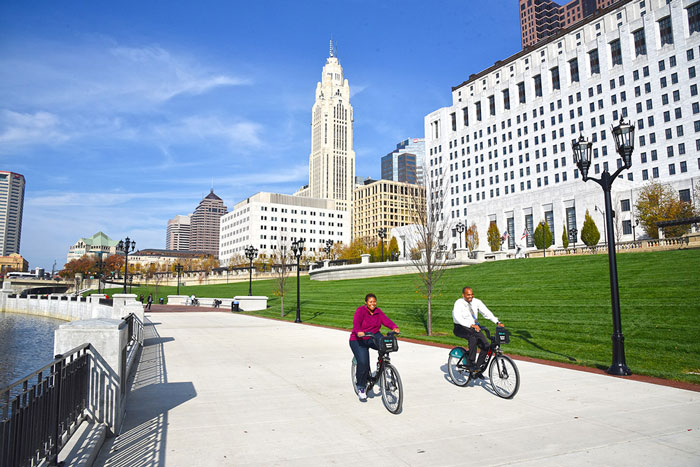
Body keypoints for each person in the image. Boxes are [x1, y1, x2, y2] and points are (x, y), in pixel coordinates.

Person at [349, 293, 400, 401]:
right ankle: (361, 387)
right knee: (363, 362)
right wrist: (359, 331)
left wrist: (394, 327)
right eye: (370, 301)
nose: (373, 303)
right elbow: (356, 323)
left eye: (374, 301)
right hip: (359, 339)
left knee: (384, 345)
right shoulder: (361, 311)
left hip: (373, 335)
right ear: (366, 303)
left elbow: (386, 320)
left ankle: (382, 364)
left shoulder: (378, 311)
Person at [452, 287, 504, 375]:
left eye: (472, 294)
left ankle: (477, 369)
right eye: (468, 294)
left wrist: (497, 322)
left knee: (486, 345)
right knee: (472, 338)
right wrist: (470, 325)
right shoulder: (458, 303)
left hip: (474, 327)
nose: (470, 296)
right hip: (460, 327)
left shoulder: (476, 302)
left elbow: (486, 312)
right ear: (463, 295)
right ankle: (471, 362)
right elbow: (457, 317)